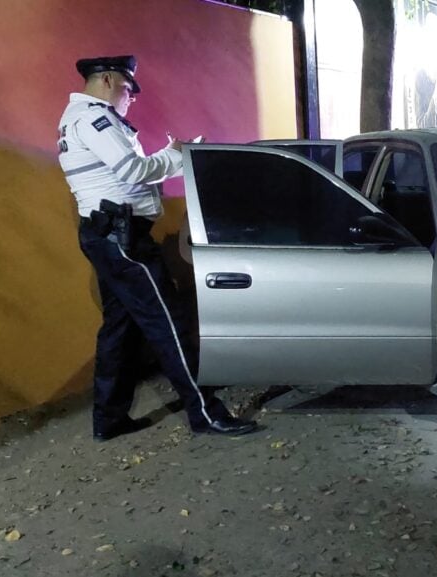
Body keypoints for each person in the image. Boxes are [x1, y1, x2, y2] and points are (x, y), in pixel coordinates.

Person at [57, 55, 257, 440]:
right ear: (108, 79)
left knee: (120, 331)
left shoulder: (76, 118)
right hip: (123, 239)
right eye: (129, 88)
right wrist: (174, 153)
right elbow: (132, 170)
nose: (131, 98)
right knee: (170, 324)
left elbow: (129, 174)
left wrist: (179, 160)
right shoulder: (94, 118)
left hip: (108, 236)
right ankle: (206, 414)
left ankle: (109, 419)